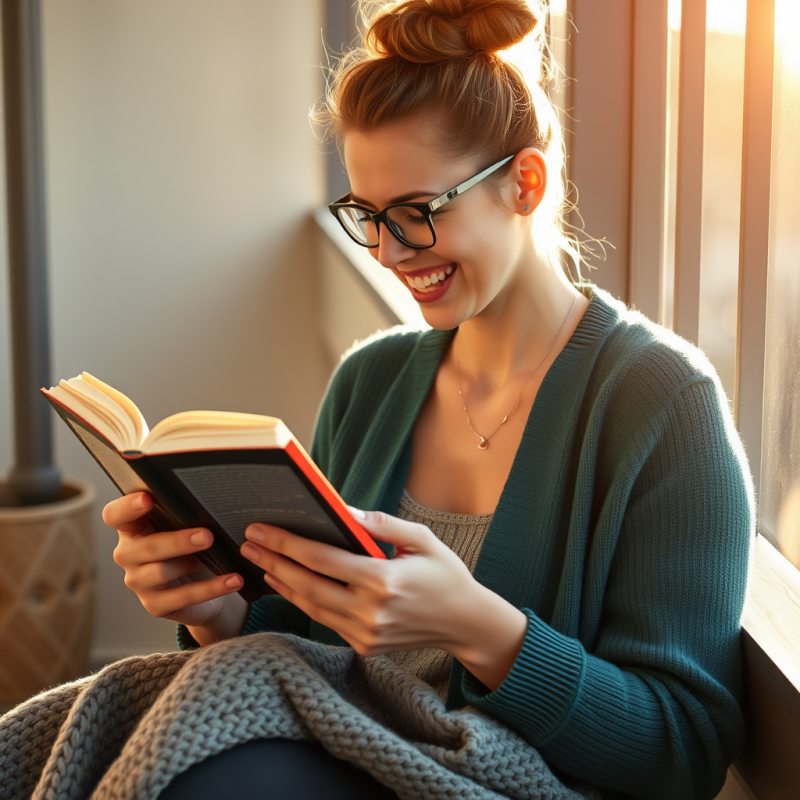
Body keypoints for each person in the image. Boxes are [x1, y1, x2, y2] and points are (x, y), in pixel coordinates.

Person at [102, 1, 753, 798]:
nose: (388, 253)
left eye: (415, 213)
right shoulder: (369, 382)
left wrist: (478, 628)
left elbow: (684, 749)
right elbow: (298, 647)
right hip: (335, 755)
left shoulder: (661, 404)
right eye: (368, 217)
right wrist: (210, 609)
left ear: (525, 183)